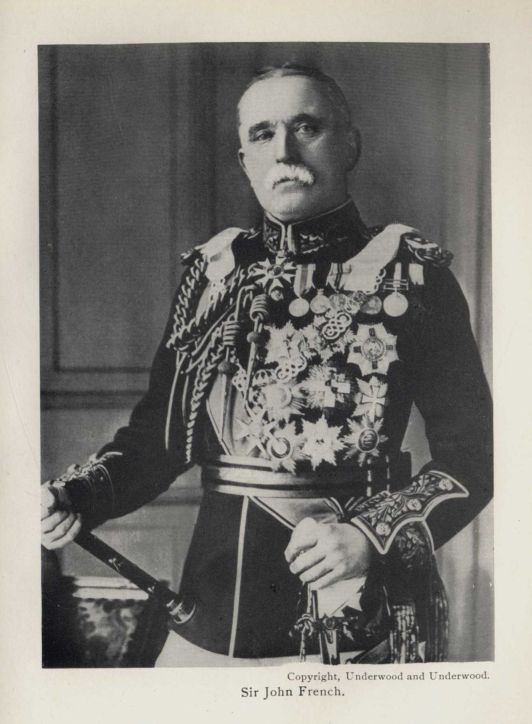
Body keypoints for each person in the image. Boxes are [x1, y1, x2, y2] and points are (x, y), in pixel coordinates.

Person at [41, 63, 493, 665]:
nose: (283, 151)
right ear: (245, 159)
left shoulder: (412, 276)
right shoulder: (212, 277)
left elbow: (474, 458)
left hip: (358, 612)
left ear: (349, 145)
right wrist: (76, 496)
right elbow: (159, 441)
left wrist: (370, 536)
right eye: (262, 134)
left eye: (306, 127)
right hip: (212, 617)